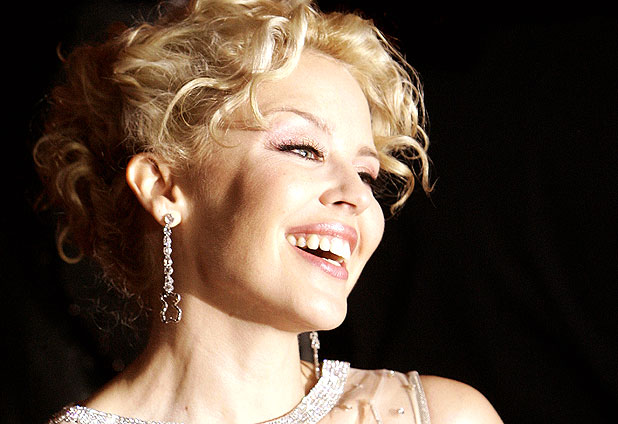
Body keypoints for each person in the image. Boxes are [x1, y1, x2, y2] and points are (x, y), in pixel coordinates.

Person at [35, 0, 503, 422]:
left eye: (366, 173)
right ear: (162, 187)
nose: (358, 196)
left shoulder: (445, 416)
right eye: (303, 149)